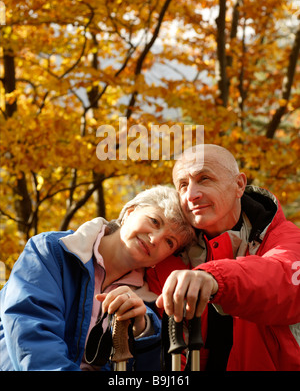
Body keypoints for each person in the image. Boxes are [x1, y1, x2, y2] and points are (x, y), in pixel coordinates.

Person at [0, 185, 194, 371]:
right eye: (154, 221)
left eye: (169, 242)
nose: (154, 239)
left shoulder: (151, 303)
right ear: (129, 212)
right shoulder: (51, 251)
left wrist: (142, 332)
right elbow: (30, 334)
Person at [147, 144, 300, 371]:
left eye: (205, 179)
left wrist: (215, 278)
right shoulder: (167, 250)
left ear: (239, 185)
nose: (192, 194)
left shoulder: (283, 237)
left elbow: (283, 280)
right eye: (182, 185)